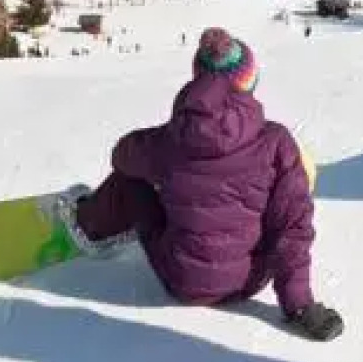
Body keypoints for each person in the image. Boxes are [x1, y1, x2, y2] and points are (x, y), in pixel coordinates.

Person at [62, 27, 345, 342]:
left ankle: (87, 225)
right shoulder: (276, 141)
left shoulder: (168, 140)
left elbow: (121, 156)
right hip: (249, 280)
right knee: (281, 200)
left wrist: (169, 166)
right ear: (249, 82)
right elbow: (292, 227)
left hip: (183, 282)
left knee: (130, 180)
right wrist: (300, 306)